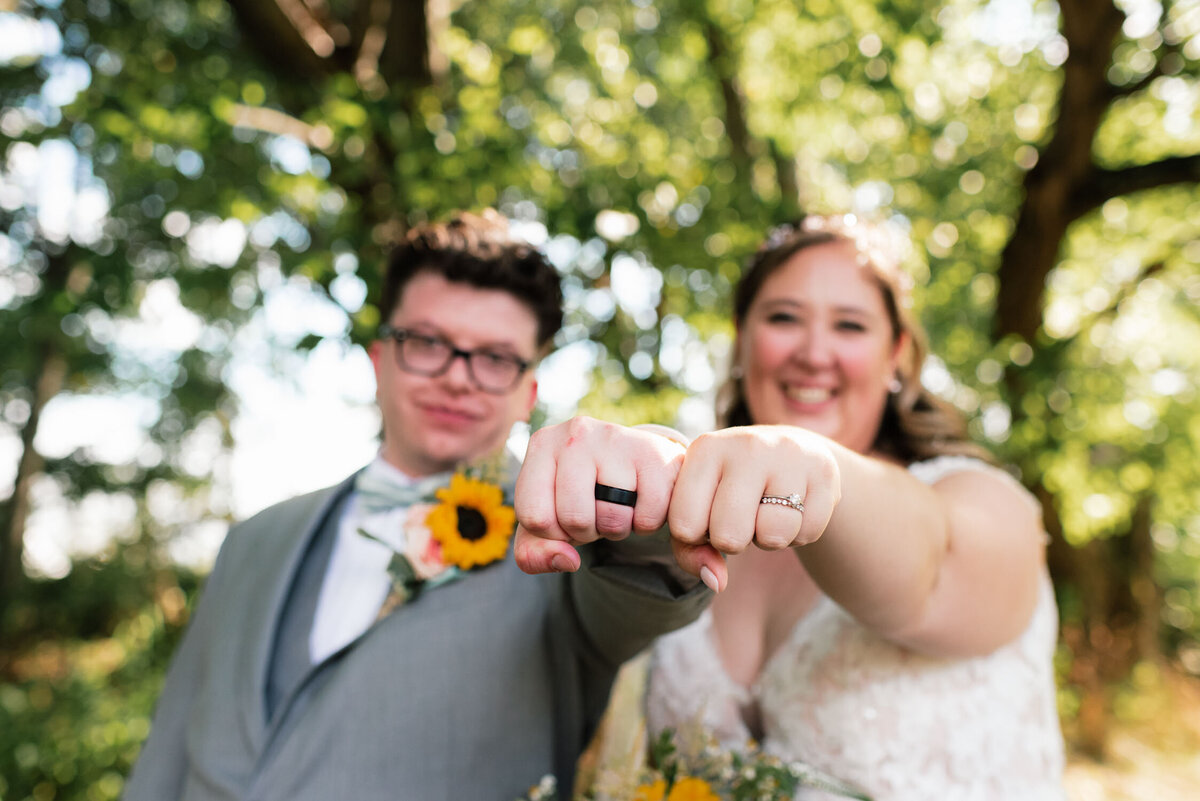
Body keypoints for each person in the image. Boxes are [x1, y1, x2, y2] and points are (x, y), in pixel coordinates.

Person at [122, 210, 710, 801]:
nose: (457, 378)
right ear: (379, 361)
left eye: (495, 358)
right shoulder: (254, 539)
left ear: (527, 393)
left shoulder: (560, 541)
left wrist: (650, 482)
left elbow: (646, 567)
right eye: (428, 342)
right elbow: (169, 750)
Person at [515, 214, 1065, 799]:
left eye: (850, 326)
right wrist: (638, 477)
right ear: (743, 337)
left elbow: (930, 575)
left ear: (897, 356)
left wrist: (810, 462)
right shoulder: (694, 534)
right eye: (783, 318)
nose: (813, 352)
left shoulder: (979, 500)